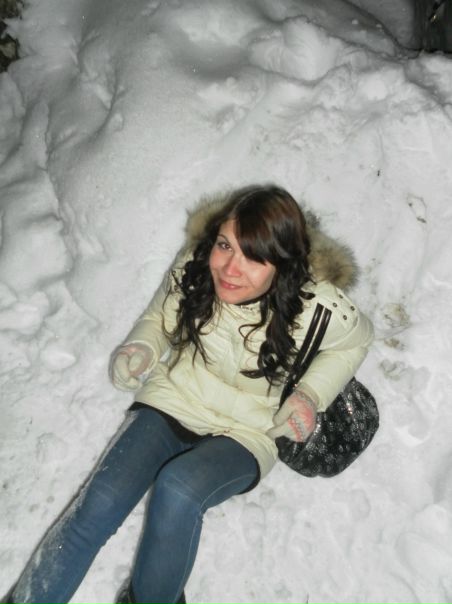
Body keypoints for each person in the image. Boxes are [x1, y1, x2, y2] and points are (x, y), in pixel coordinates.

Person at [3, 185, 374, 604]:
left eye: (253, 257)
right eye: (225, 245)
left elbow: (356, 342)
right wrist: (143, 347)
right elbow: (160, 317)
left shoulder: (320, 308)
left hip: (249, 428)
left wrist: (309, 394)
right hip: (175, 398)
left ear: (283, 264)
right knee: (100, 502)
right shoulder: (196, 266)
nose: (229, 268)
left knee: (178, 490)